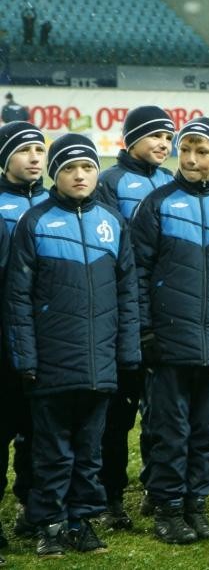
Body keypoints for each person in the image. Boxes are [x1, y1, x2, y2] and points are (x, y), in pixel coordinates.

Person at [5, 134, 140, 557]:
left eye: (87, 167)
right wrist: (26, 358)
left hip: (100, 364)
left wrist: (128, 354)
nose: (79, 176)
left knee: (89, 452)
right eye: (68, 168)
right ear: (54, 175)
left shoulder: (113, 222)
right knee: (51, 452)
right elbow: (18, 299)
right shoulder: (35, 223)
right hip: (52, 365)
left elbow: (128, 294)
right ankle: (49, 524)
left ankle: (82, 521)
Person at [131, 117, 209, 544]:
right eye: (184, 149)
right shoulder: (156, 204)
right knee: (170, 432)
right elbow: (138, 273)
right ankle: (167, 509)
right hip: (169, 344)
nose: (189, 159)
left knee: (204, 434)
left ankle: (195, 506)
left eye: (201, 152)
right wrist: (146, 333)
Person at [93, 106, 176, 531]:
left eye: (168, 137)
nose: (164, 144)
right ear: (130, 139)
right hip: (123, 314)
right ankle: (109, 498)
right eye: (155, 136)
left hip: (167, 316)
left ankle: (154, 488)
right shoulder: (109, 182)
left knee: (161, 411)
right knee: (117, 415)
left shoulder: (172, 181)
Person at [0, 121, 49, 546]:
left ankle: (32, 508)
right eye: (23, 150)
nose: (34, 157)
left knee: (40, 429)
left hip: (46, 338)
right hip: (4, 338)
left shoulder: (57, 203)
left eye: (39, 149)